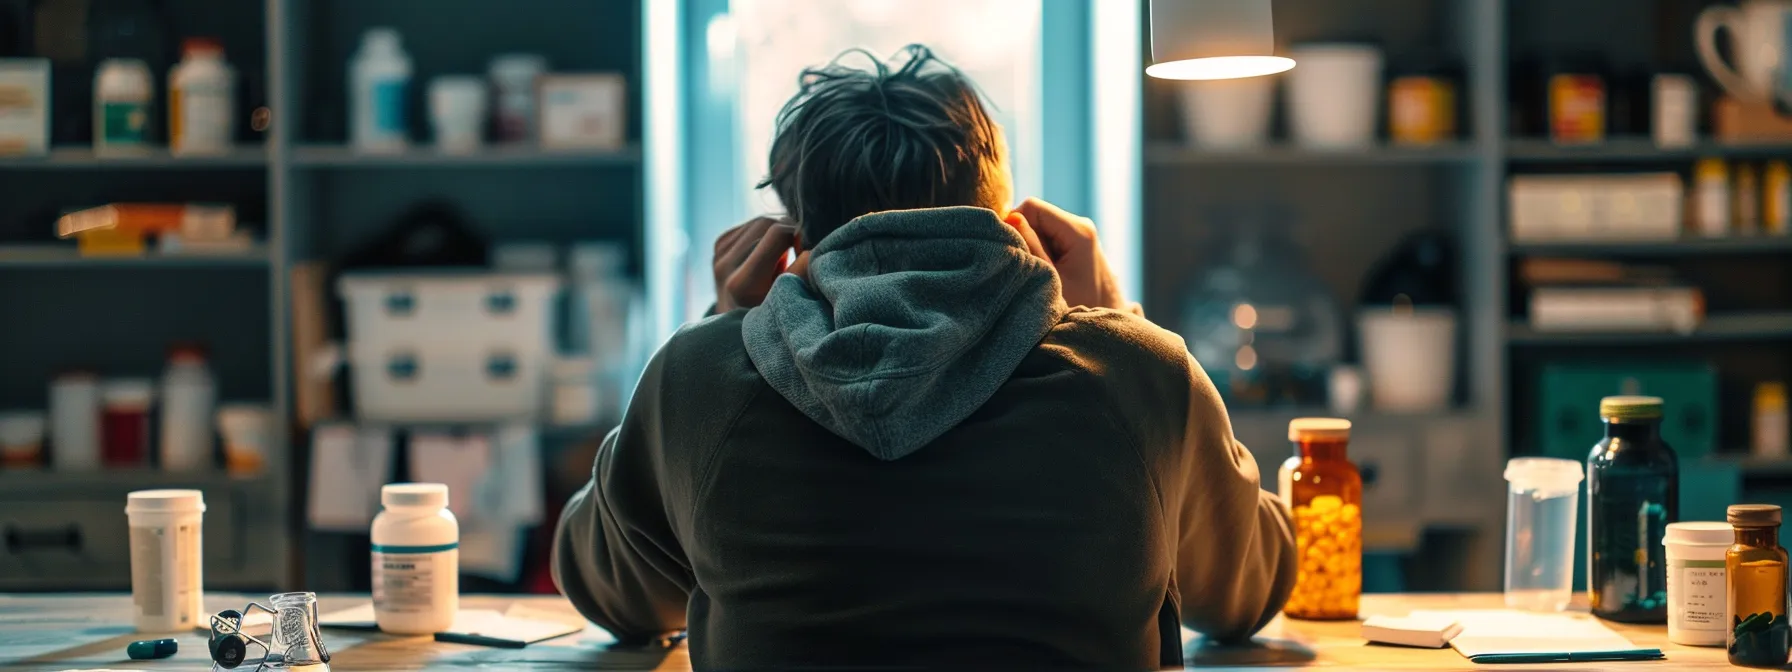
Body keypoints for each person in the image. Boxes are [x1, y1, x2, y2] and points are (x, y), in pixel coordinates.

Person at [553, 44, 1295, 669]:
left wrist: (722, 330)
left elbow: (611, 592)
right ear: (1010, 228)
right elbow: (1244, 595)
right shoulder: (1137, 374)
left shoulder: (699, 378)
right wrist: (1111, 318)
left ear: (793, 248)